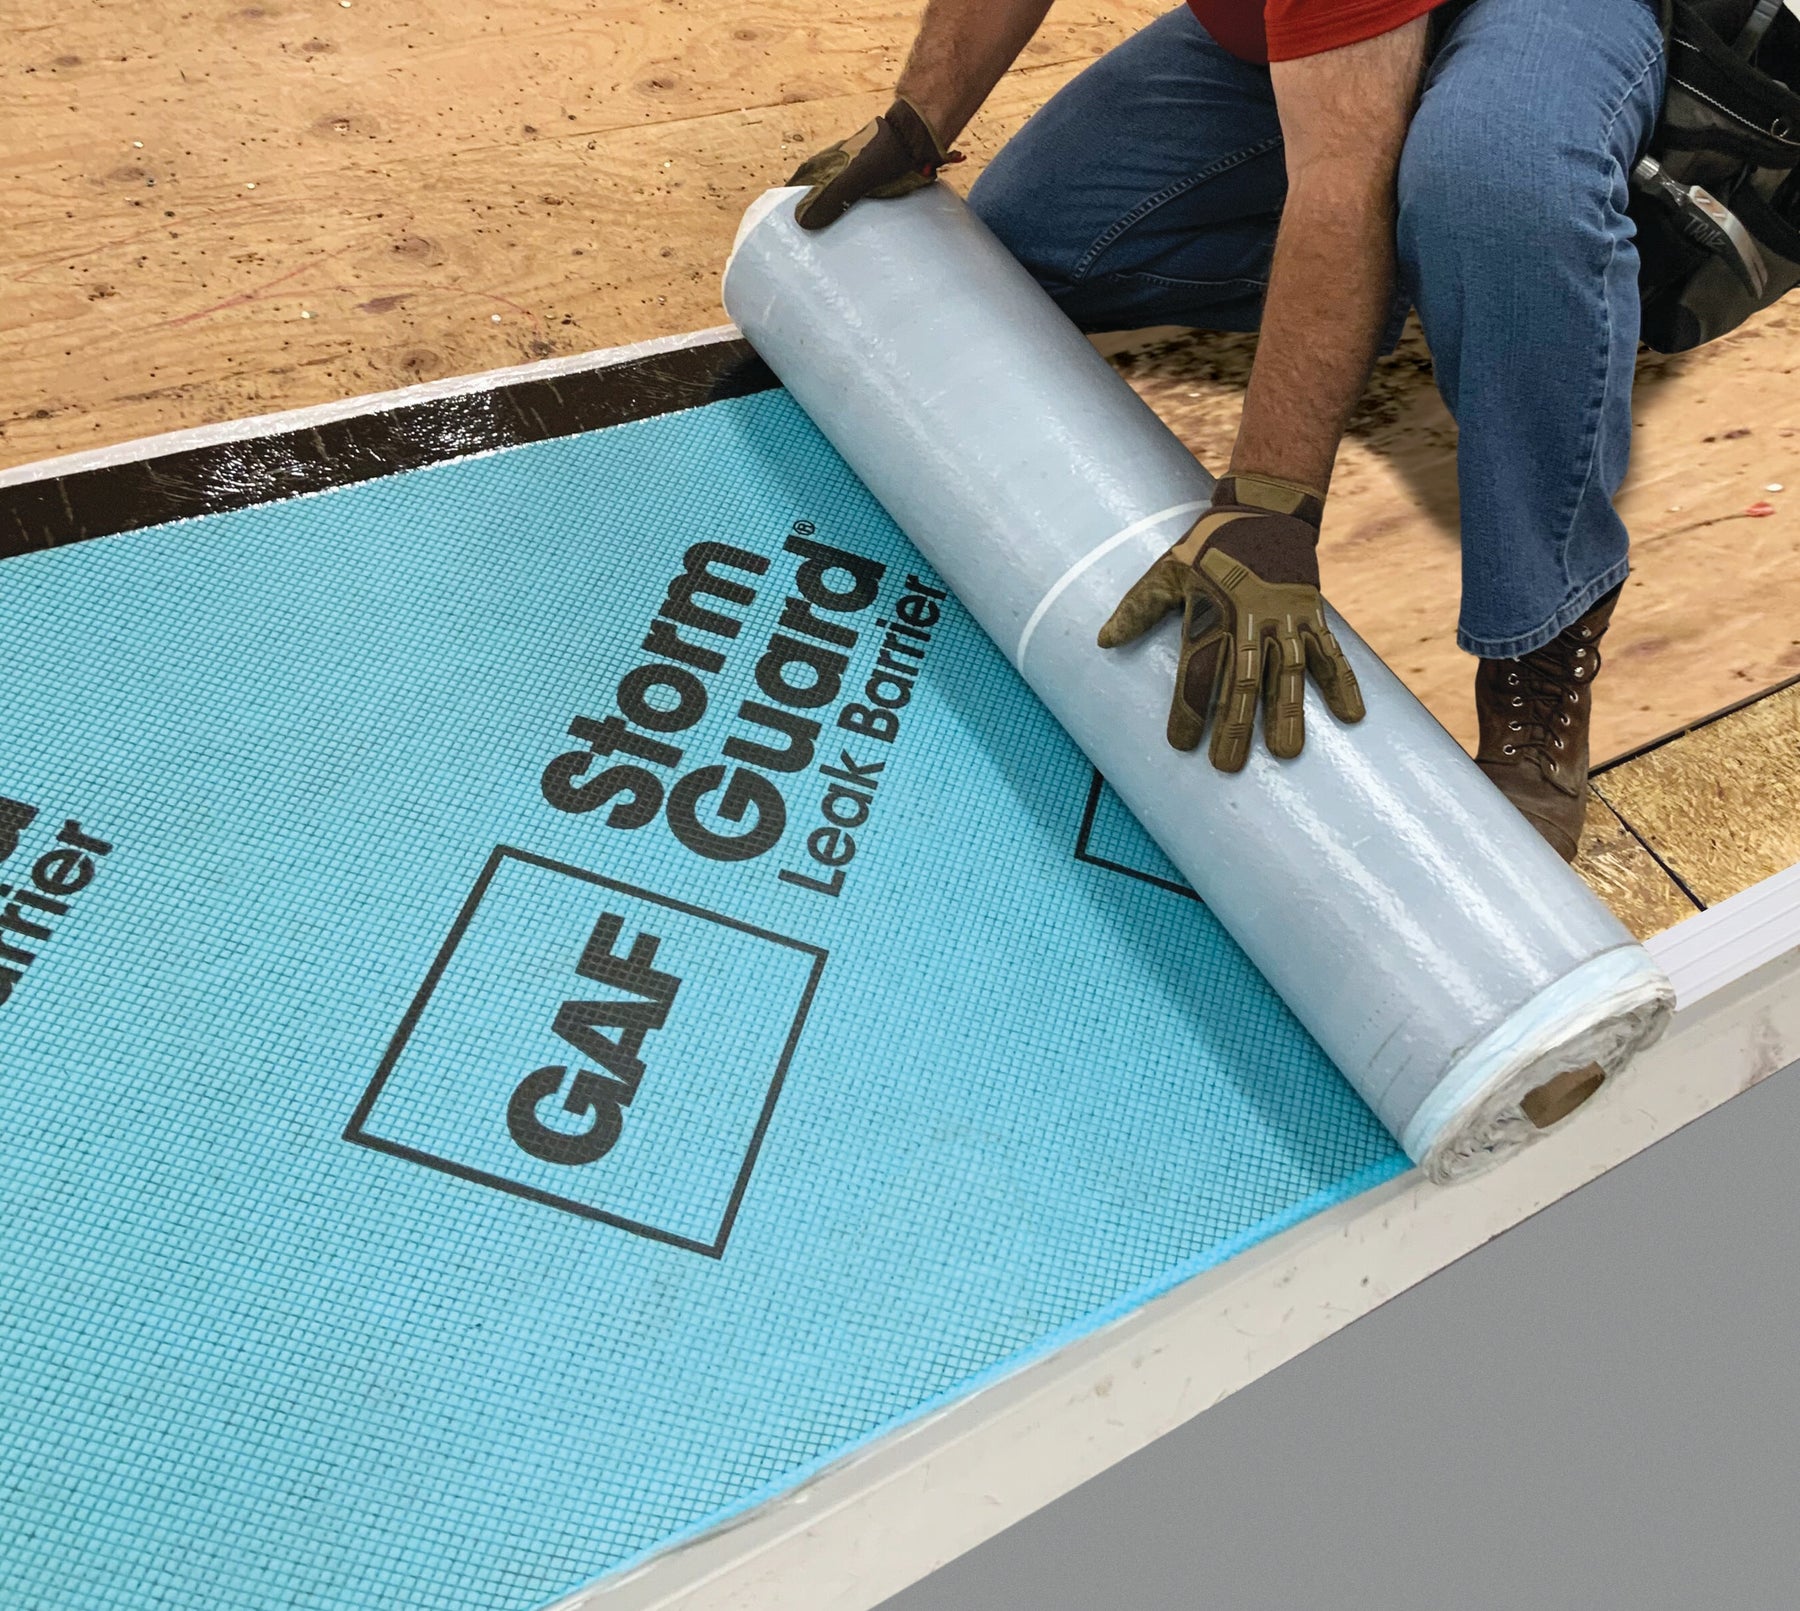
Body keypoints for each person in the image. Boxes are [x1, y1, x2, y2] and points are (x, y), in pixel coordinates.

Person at [786, 0, 1669, 862]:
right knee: (1034, 233)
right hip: (1301, 37)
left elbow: (1342, 172)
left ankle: (1543, 634)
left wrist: (1267, 508)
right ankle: (1414, 261)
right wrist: (917, 123)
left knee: (1497, 189)